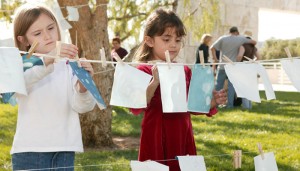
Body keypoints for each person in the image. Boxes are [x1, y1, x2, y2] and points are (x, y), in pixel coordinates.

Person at [131, 9, 227, 171]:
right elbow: (136, 105)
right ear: (149, 41)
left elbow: (193, 105)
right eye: (166, 39)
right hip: (156, 133)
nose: (173, 45)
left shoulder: (184, 70)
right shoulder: (143, 69)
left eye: (178, 39)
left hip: (182, 132)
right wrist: (155, 82)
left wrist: (212, 102)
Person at [11, 4, 96, 171]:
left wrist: (84, 86)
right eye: (37, 33)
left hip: (65, 150)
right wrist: (47, 60)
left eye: (51, 28)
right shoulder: (20, 66)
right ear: (23, 40)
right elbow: (17, 86)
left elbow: (82, 106)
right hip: (30, 151)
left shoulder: (70, 64)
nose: (47, 36)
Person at [211, 26, 256, 108]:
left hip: (222, 66)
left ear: (230, 32)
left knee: (218, 86)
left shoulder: (223, 38)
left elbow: (212, 48)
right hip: (232, 67)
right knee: (231, 87)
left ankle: (214, 104)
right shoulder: (240, 39)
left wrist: (215, 59)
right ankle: (229, 105)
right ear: (237, 32)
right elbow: (254, 42)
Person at [236, 31, 261, 109]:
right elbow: (259, 57)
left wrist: (236, 63)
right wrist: (252, 62)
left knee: (244, 87)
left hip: (243, 67)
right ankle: (249, 106)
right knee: (249, 87)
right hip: (251, 68)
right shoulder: (254, 47)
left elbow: (240, 56)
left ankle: (246, 106)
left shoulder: (242, 46)